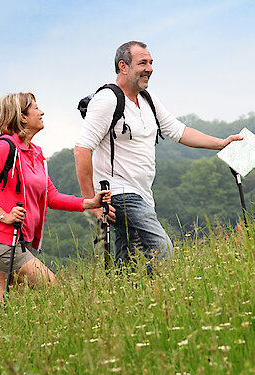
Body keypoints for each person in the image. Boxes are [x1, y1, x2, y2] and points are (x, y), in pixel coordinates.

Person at [74, 41, 242, 271]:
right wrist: (90, 202)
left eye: (151, 63)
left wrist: (220, 143)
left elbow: (178, 131)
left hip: (143, 194)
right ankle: (163, 298)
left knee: (127, 264)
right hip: (120, 193)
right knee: (162, 248)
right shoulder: (107, 100)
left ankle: (126, 301)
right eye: (142, 63)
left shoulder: (147, 99)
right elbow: (82, 149)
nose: (150, 68)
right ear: (123, 67)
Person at [0, 92, 111, 301]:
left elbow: (50, 196)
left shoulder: (35, 152)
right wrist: (3, 215)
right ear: (22, 116)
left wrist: (89, 203)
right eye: (36, 108)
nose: (41, 112)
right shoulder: (3, 148)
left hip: (20, 240)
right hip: (2, 240)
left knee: (9, 302)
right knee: (55, 288)